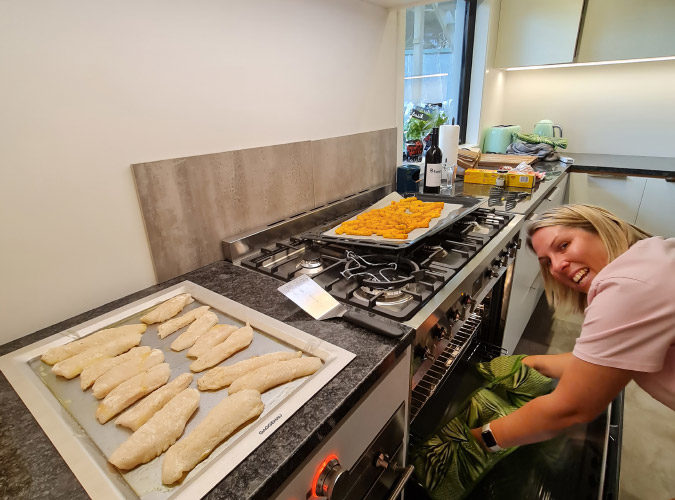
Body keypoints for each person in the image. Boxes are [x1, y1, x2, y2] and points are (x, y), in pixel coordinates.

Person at [470, 203, 675, 451]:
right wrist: (532, 363)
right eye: (547, 262)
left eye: (564, 245)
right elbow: (602, 362)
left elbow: (570, 410)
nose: (557, 267)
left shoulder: (627, 289)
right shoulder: (649, 255)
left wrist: (481, 440)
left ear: (600, 228)